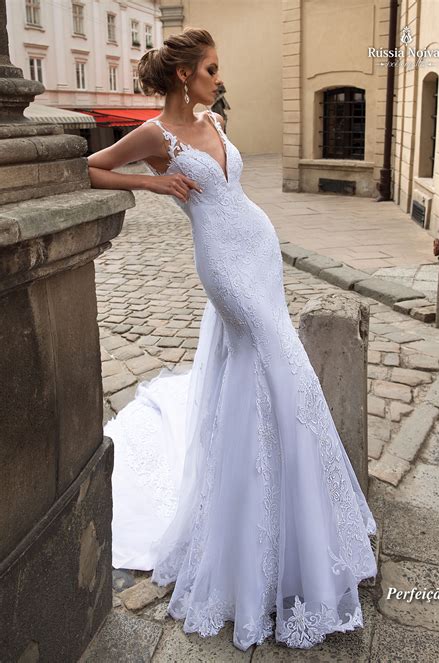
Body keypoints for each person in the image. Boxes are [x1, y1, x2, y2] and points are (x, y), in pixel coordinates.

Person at [87, 28, 377, 652]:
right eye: (211, 69)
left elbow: (234, 189)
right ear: (184, 74)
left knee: (275, 376)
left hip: (259, 247)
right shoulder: (153, 135)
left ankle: (287, 521)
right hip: (221, 263)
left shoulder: (214, 121)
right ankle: (262, 533)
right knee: (280, 367)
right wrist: (154, 183)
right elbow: (92, 169)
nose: (220, 79)